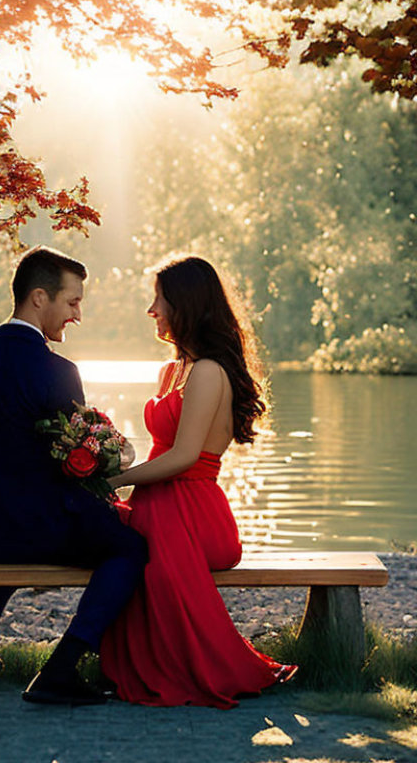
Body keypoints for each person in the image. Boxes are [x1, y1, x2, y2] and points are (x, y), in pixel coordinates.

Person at [0, 246, 148, 705]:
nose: (77, 314)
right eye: (72, 302)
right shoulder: (58, 371)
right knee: (131, 548)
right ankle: (63, 665)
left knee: (9, 531)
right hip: (48, 529)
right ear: (39, 298)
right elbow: (70, 462)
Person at [100, 255, 296, 708]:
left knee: (154, 552)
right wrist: (111, 457)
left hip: (193, 507)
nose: (151, 310)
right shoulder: (170, 371)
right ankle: (131, 661)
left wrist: (117, 480)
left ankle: (198, 666)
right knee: (124, 548)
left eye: (159, 300)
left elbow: (185, 457)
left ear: (185, 304)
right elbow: (158, 448)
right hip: (159, 499)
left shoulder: (209, 371)